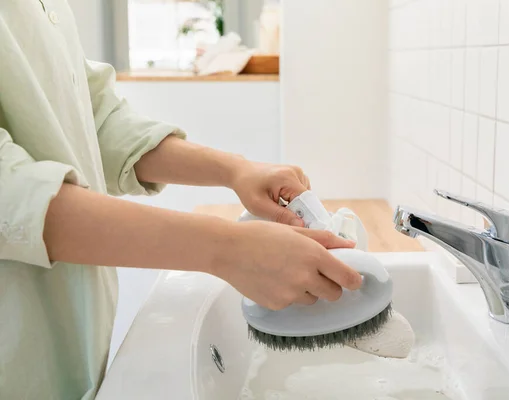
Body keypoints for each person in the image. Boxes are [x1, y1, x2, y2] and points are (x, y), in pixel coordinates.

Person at [0, 2, 362, 399]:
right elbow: (14, 196)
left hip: (70, 344)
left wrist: (235, 170)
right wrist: (229, 249)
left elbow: (94, 117)